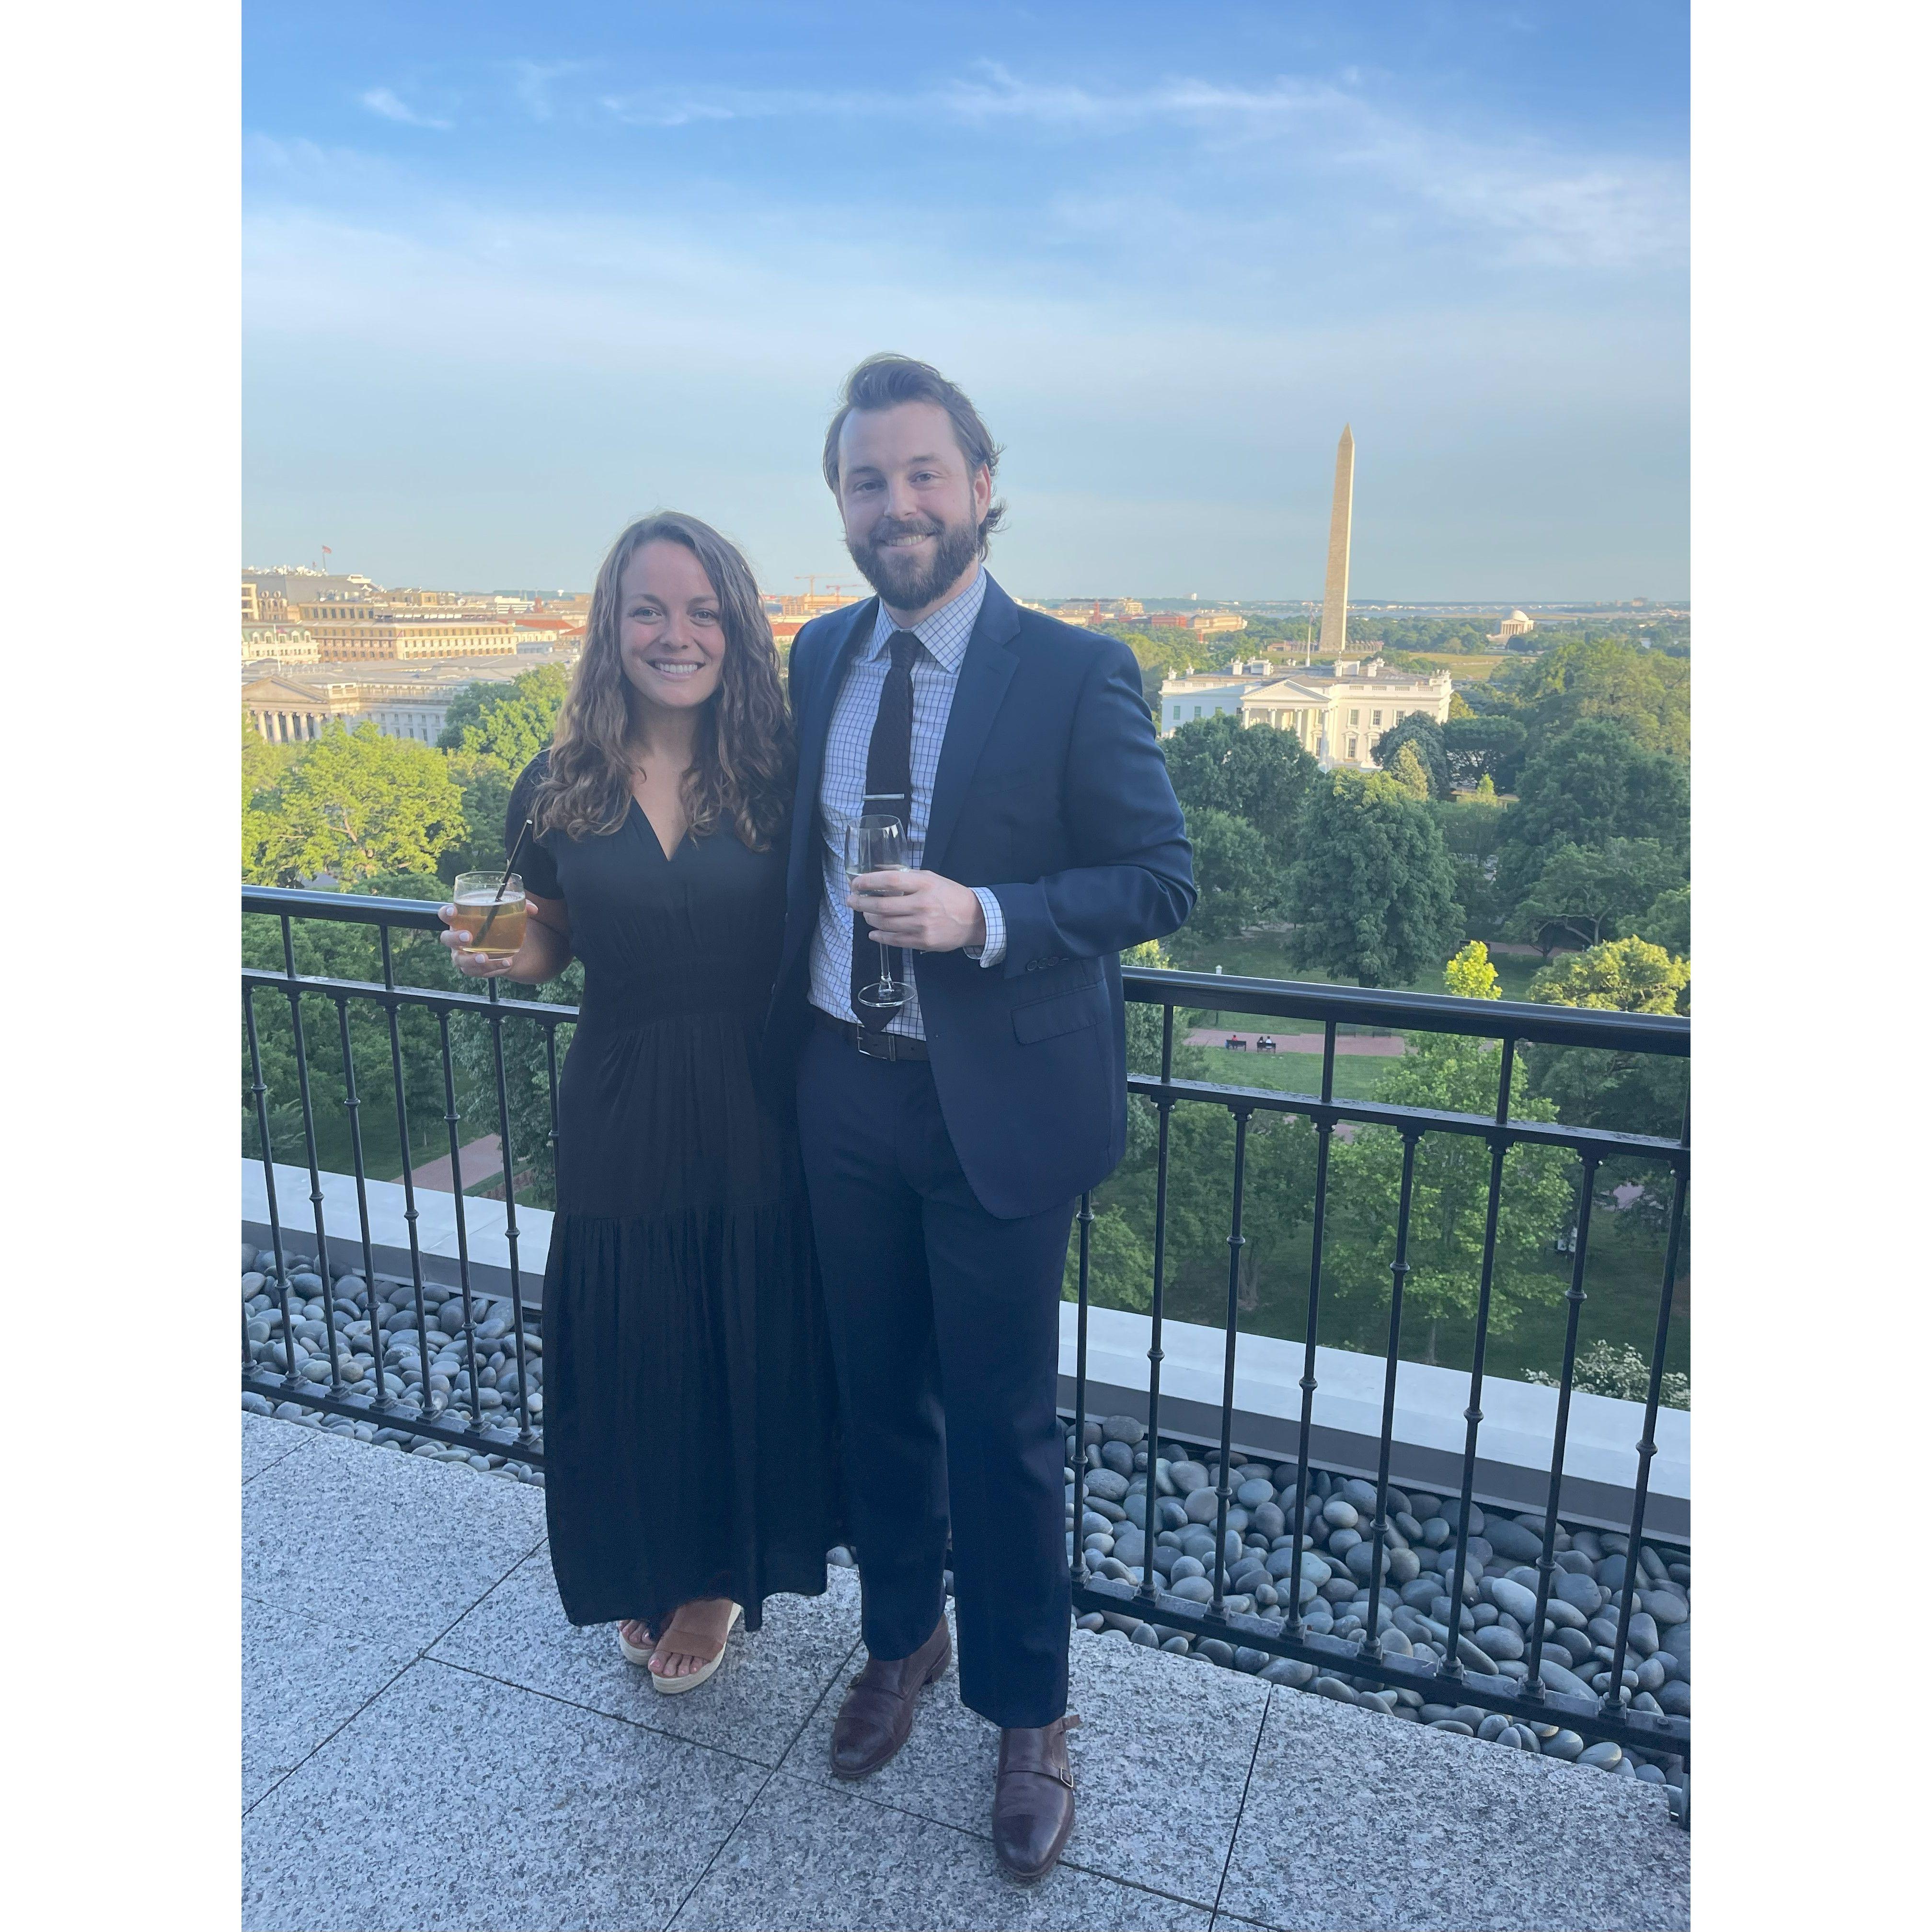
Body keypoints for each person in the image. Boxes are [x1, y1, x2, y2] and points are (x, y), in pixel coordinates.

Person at [766, 355, 1195, 1882]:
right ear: (841, 504)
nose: (897, 505)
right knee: (875, 1397)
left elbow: (1159, 879)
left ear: (982, 486)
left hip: (994, 1110)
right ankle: (902, 1640)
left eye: (923, 475)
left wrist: (985, 916)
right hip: (842, 1086)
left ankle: (1030, 1714)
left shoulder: (1076, 672)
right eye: (867, 481)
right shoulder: (819, 655)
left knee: (1005, 1427)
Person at [440, 511, 842, 1693]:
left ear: (737, 629)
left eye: (703, 611)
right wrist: (498, 955)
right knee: (637, 1340)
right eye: (651, 611)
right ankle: (648, 1556)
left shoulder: (780, 770)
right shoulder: (556, 781)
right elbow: (549, 941)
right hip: (619, 1092)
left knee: (737, 1330)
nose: (678, 634)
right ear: (611, 628)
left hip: (756, 1092)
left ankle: (715, 1580)